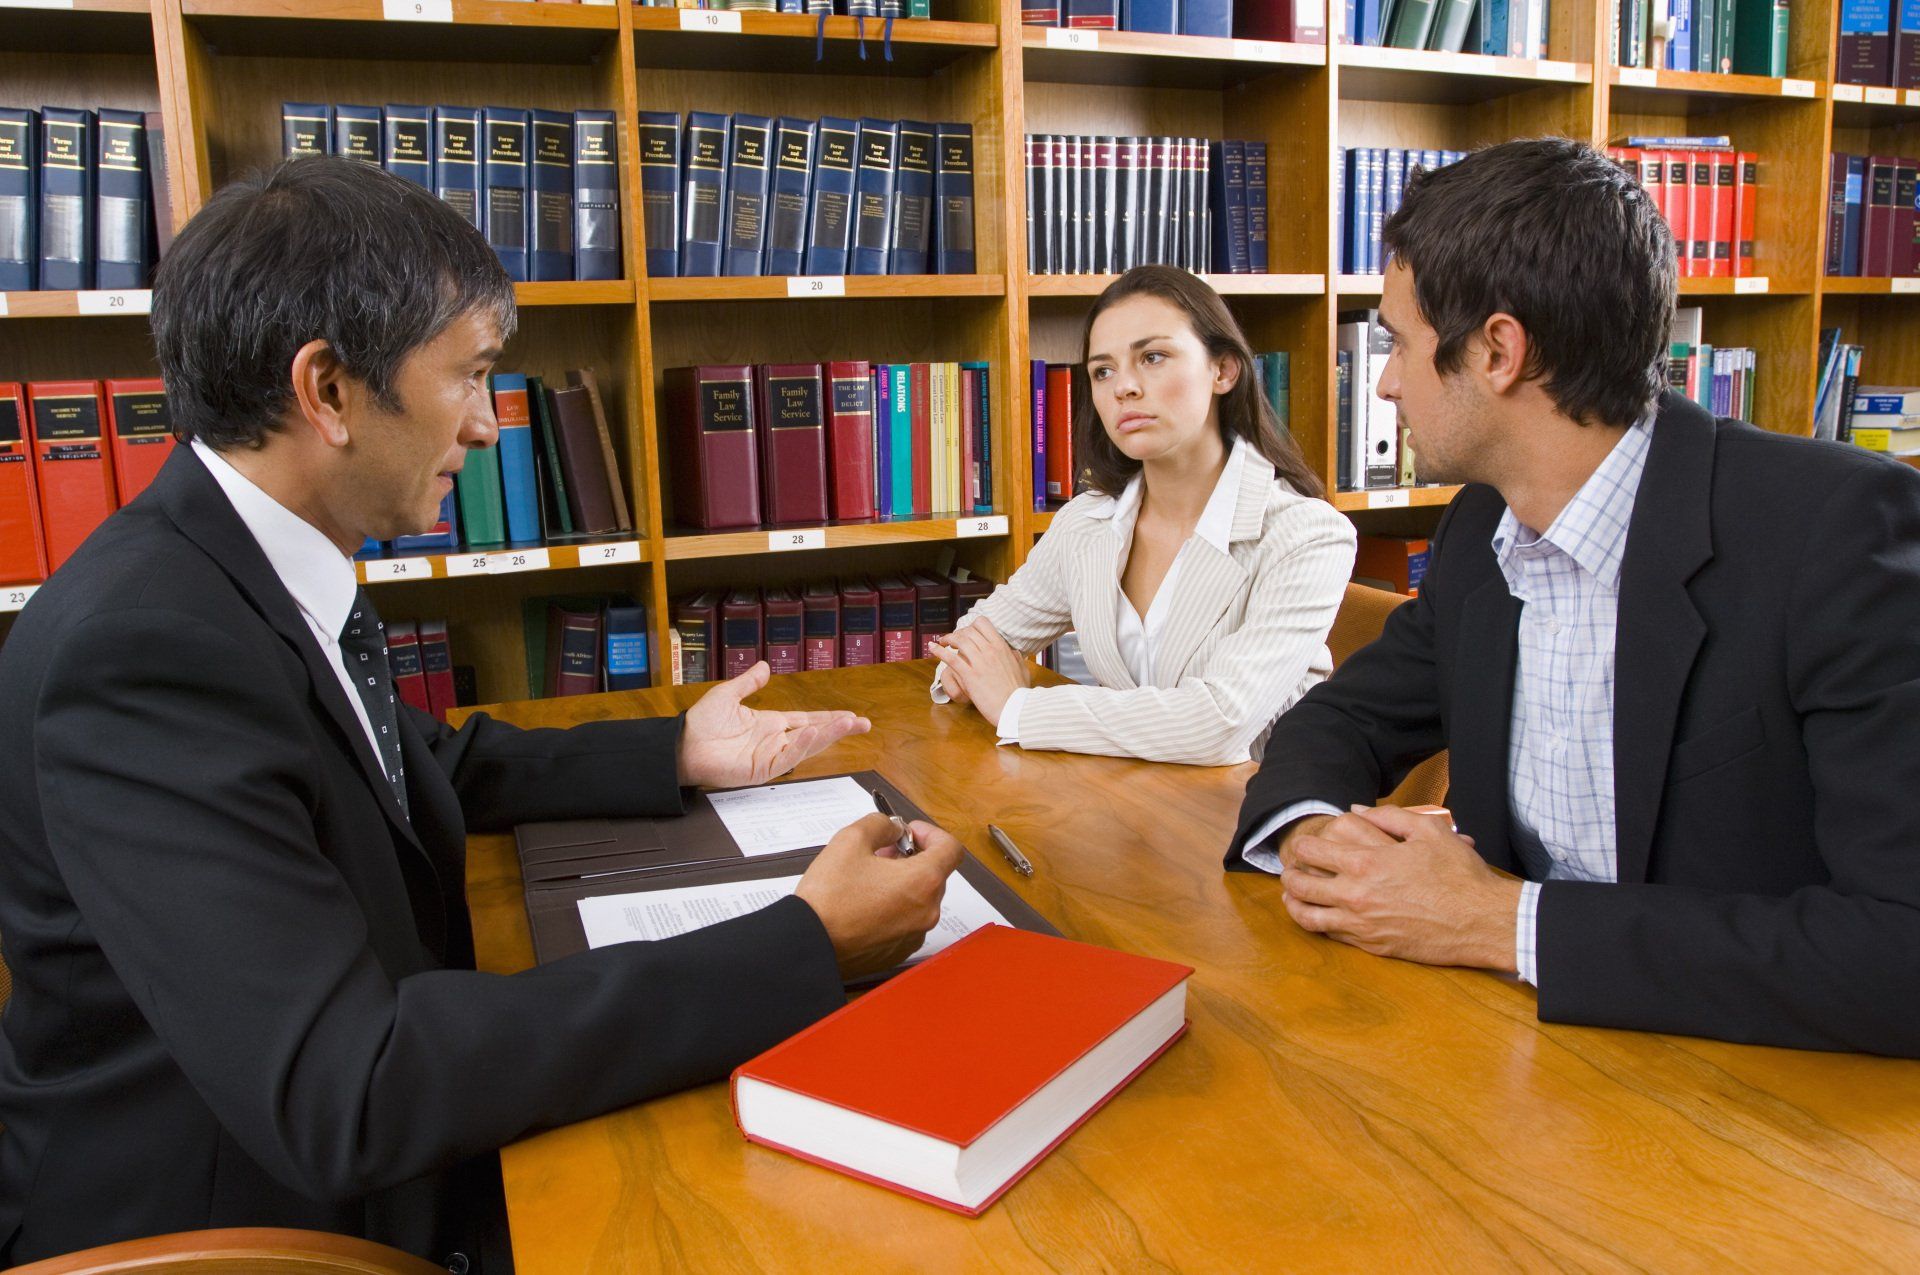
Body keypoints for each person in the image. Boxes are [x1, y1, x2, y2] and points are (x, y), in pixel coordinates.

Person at [0, 156, 964, 1269]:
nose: (490, 426)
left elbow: (398, 767)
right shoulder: (144, 652)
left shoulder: (224, 569)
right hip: (255, 1222)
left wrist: (680, 750)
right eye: (470, 376)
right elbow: (348, 1089)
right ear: (327, 393)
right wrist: (806, 944)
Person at [1226, 138, 1920, 1057]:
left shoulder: (1832, 531)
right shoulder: (1483, 527)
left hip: (1758, 1109)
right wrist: (1321, 840)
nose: (1385, 380)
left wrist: (1504, 923)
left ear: (1499, 350)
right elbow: (1339, 718)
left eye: (1397, 341)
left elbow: (1899, 950)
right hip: (1527, 1065)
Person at [931, 266, 1355, 766]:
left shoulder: (1306, 535)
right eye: (1102, 371)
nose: (1123, 388)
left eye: (1153, 357)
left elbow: (1217, 724)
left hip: (1248, 822)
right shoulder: (1087, 522)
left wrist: (1015, 706)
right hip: (1129, 806)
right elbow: (971, 645)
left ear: (1223, 370)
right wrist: (973, 674)